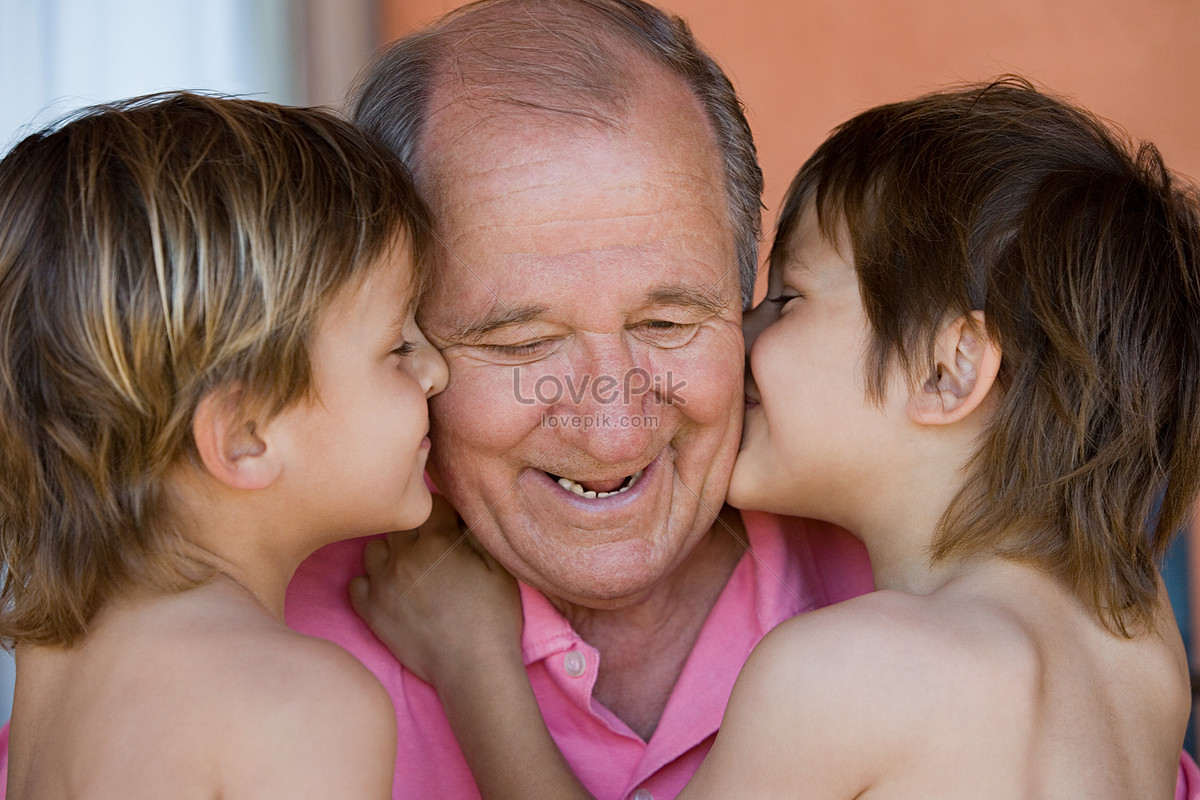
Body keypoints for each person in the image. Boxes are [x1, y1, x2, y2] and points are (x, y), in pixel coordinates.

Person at [354, 78, 1200, 798]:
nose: (744, 336)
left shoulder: (844, 672)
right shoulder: (1139, 646)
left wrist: (475, 666)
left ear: (950, 370)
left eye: (788, 300)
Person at [283, 0, 874, 797]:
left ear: (744, 304)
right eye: (522, 343)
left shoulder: (906, 571)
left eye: (667, 322)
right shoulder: (278, 643)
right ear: (402, 336)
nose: (611, 428)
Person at [0, 92, 448, 796]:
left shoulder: (57, 654)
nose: (436, 370)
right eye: (397, 346)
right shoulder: (298, 702)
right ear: (243, 434)